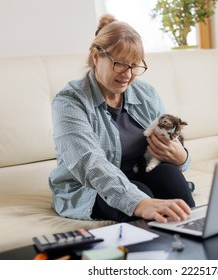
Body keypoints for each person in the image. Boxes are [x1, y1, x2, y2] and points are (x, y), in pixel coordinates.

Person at [48, 14, 195, 224]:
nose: (128, 74)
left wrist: (181, 157)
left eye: (135, 65)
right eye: (120, 64)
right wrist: (140, 202)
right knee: (139, 194)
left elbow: (171, 144)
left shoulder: (146, 93)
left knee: (169, 175)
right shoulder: (69, 101)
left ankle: (195, 234)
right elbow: (90, 163)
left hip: (137, 173)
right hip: (91, 187)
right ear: (96, 56)